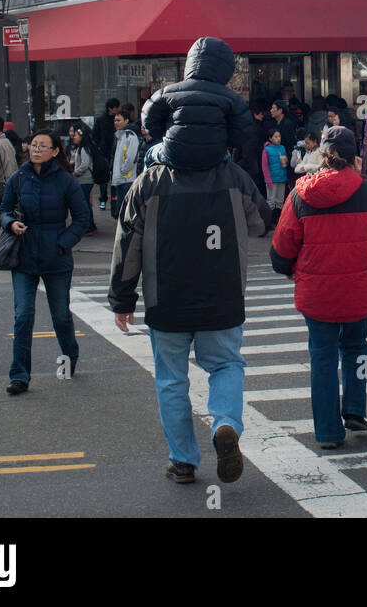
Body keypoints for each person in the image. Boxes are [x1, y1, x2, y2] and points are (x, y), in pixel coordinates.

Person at [109, 131, 267, 484]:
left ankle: (183, 461)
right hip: (222, 295)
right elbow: (261, 221)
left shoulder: (149, 182)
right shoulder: (233, 176)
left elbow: (127, 245)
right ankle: (225, 423)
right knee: (226, 364)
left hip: (167, 298)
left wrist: (122, 298)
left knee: (171, 380)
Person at [270, 126, 367, 449]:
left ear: (321, 156)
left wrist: (288, 268)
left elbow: (282, 247)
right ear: (355, 156)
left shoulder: (300, 194)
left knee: (322, 358)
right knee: (357, 348)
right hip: (358, 289)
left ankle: (328, 432)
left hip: (317, 293)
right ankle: (355, 408)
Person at [1, 129, 93, 395]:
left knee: (61, 317)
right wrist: (11, 223)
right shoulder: (18, 178)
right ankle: (19, 376)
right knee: (23, 317)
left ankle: (69, 358)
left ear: (55, 151)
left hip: (57, 258)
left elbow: (81, 219)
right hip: (24, 256)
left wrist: (62, 244)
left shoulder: (66, 182)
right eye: (33, 145)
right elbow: (4, 210)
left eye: (42, 146)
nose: (36, 149)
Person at [141, 38, 254, 170]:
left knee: (149, 154)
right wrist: (222, 140)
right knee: (227, 158)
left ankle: (149, 185)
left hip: (174, 154)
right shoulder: (232, 98)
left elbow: (149, 120)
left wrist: (166, 135)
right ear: (226, 68)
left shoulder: (167, 93)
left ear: (191, 62)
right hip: (214, 156)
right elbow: (242, 132)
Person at [110, 108, 141, 216]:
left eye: (119, 120)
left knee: (126, 209)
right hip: (120, 179)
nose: (116, 123)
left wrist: (123, 171)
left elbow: (131, 157)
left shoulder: (130, 136)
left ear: (127, 121)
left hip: (127, 179)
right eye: (115, 120)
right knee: (120, 209)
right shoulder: (119, 136)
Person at [93, 99, 120, 210]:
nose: (118, 109)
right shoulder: (101, 120)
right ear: (111, 108)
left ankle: (115, 198)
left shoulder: (118, 119)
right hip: (104, 152)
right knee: (104, 178)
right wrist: (99, 147)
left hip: (116, 152)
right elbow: (95, 135)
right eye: (117, 107)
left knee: (115, 177)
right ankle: (103, 199)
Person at [261, 129, 287, 225]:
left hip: (282, 177)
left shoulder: (282, 148)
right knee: (271, 200)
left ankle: (278, 220)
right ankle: (269, 221)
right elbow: (264, 166)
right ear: (270, 138)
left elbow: (285, 161)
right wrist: (268, 180)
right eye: (275, 137)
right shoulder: (266, 150)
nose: (278, 139)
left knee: (280, 200)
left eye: (279, 136)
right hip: (272, 179)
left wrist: (285, 161)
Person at [69, 123, 96, 214]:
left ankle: (90, 225)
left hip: (85, 180)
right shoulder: (80, 148)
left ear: (81, 137)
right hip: (83, 180)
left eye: (76, 135)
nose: (74, 137)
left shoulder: (83, 149)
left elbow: (85, 164)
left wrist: (76, 173)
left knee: (86, 203)